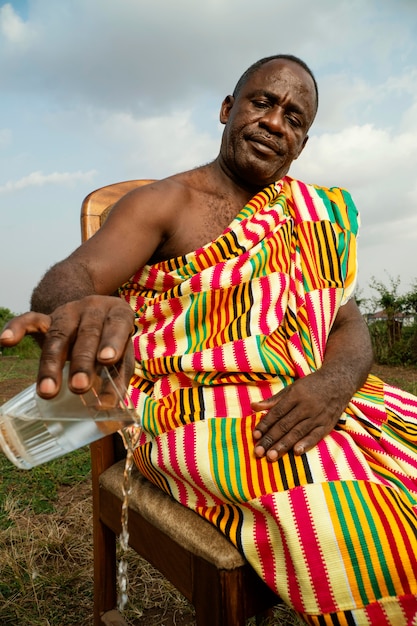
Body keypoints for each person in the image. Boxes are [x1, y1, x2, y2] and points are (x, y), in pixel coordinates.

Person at [2, 54, 417, 625]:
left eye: (295, 118)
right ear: (228, 109)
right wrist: (78, 307)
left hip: (316, 393)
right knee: (366, 526)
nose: (275, 122)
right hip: (198, 412)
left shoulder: (317, 216)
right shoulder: (166, 202)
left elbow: (348, 323)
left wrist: (334, 384)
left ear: (302, 144)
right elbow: (73, 277)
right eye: (262, 102)